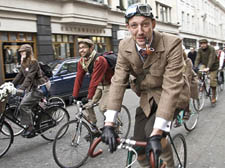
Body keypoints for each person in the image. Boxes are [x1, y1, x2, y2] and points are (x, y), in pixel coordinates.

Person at [101, 3, 190, 168]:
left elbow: (171, 87)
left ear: (153, 24)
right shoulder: (124, 45)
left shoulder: (172, 43)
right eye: (134, 25)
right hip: (147, 96)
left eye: (145, 24)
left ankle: (169, 164)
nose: (140, 31)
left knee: (153, 134)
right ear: (128, 27)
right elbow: (118, 81)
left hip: (172, 94)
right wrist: (109, 123)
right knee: (137, 147)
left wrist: (157, 133)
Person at [72, 39, 114, 131]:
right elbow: (79, 78)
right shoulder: (82, 62)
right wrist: (74, 95)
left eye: (84, 48)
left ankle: (114, 126)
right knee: (87, 105)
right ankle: (94, 126)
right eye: (79, 48)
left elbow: (94, 79)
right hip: (99, 86)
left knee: (103, 108)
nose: (81, 50)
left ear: (91, 48)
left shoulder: (100, 60)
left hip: (110, 85)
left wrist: (89, 97)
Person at [12, 44, 51, 138]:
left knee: (24, 105)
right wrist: (10, 85)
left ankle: (31, 128)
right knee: (26, 104)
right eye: (20, 52)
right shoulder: (23, 62)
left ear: (28, 52)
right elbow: (19, 76)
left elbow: (29, 77)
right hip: (31, 88)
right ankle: (34, 121)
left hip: (40, 88)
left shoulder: (34, 62)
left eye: (23, 51)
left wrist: (21, 88)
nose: (21, 53)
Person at [194, 39, 219, 104]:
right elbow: (197, 58)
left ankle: (213, 96)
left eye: (204, 43)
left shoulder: (211, 49)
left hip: (213, 66)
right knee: (199, 72)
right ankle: (202, 84)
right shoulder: (199, 50)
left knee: (212, 80)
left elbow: (211, 58)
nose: (203, 45)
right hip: (205, 65)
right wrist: (195, 66)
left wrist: (208, 67)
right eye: (201, 44)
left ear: (207, 43)